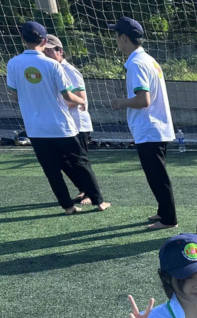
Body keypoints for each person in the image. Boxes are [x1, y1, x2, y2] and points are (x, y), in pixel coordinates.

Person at [5, 21, 108, 214]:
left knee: (51, 170)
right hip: (61, 126)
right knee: (81, 162)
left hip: (35, 128)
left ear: (22, 39)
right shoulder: (52, 65)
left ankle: (68, 207)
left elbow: (15, 96)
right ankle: (99, 202)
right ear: (44, 41)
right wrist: (81, 100)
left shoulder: (13, 63)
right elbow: (68, 95)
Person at [108, 16, 177, 230]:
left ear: (124, 37)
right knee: (155, 174)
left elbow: (143, 100)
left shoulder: (136, 63)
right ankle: (163, 211)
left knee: (157, 176)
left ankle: (169, 219)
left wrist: (121, 102)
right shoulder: (148, 59)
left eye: (116, 35)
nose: (116, 40)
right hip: (156, 126)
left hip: (149, 127)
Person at [43, 34, 94, 204]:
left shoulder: (69, 70)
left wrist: (57, 107)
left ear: (60, 51)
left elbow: (80, 97)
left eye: (50, 51)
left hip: (78, 123)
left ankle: (90, 193)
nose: (46, 54)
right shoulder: (51, 69)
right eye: (44, 51)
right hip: (65, 124)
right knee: (63, 160)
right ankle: (83, 189)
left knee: (79, 161)